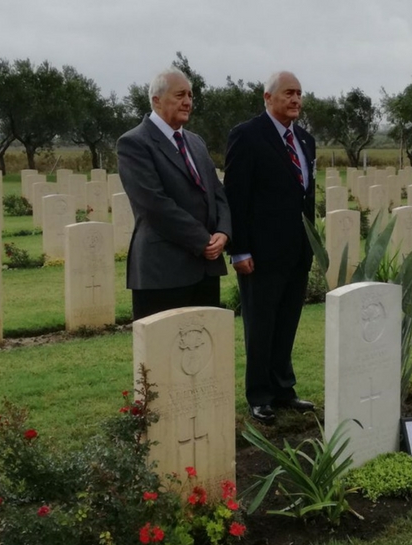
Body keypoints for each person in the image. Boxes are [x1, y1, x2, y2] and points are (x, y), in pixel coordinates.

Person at [224, 71, 316, 425]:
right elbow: (237, 195)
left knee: (288, 321)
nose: (295, 100)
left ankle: (283, 388)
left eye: (299, 93)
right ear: (268, 97)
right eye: (288, 93)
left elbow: (305, 197)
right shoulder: (247, 136)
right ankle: (259, 395)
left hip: (298, 251)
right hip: (260, 254)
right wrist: (240, 249)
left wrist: (312, 244)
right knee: (261, 324)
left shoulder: (306, 141)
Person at [117, 67, 231, 321]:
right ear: (156, 100)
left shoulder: (195, 142)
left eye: (190, 95)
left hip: (205, 270)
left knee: (203, 352)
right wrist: (203, 241)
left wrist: (223, 232)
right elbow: (154, 204)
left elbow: (217, 192)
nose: (188, 102)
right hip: (163, 271)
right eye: (180, 95)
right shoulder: (135, 143)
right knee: (161, 356)